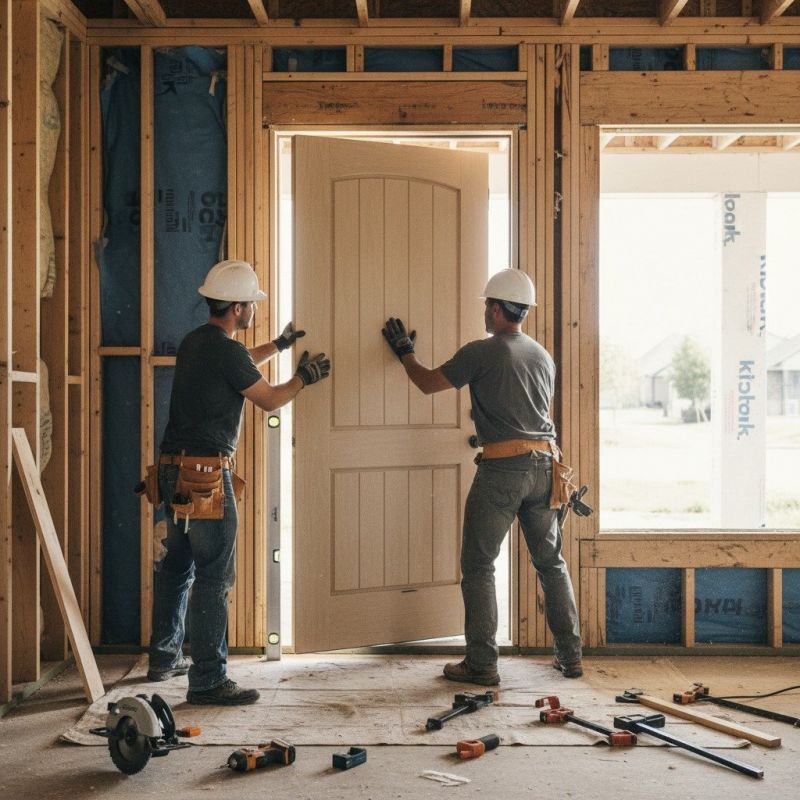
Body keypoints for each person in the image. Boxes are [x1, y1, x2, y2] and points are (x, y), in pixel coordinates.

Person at [381, 268, 582, 685]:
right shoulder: (542, 355)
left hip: (503, 472)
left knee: (478, 565)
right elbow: (520, 409)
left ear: (495, 309)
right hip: (546, 469)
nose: (485, 313)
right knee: (551, 563)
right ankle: (570, 655)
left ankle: (482, 663)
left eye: (486, 306)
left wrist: (404, 352)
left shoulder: (482, 352)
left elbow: (428, 383)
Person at [148, 259, 330, 705]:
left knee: (177, 566)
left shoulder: (197, 343)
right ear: (235, 307)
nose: (255, 308)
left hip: (172, 472)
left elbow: (239, 363)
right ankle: (208, 680)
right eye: (251, 303)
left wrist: (279, 345)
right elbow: (267, 399)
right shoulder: (225, 350)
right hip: (206, 478)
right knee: (213, 576)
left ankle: (164, 657)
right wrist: (303, 378)